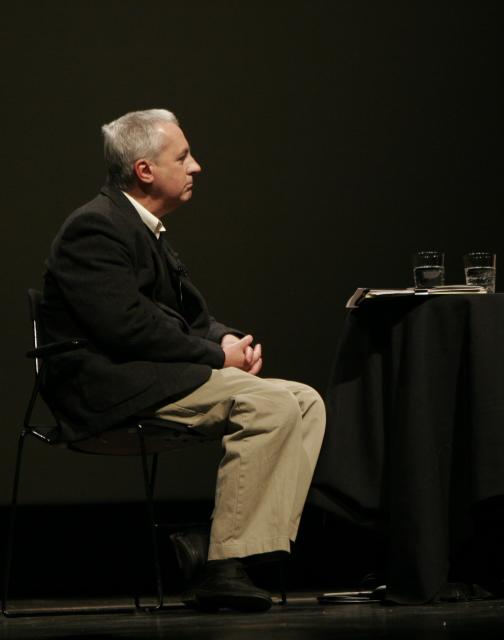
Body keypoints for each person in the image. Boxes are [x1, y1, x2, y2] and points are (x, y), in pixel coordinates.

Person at [39, 108, 326, 612]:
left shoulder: (142, 228)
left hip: (153, 374)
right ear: (145, 170)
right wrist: (219, 356)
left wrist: (230, 339)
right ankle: (223, 566)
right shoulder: (95, 228)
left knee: (305, 401)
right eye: (184, 156)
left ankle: (216, 547)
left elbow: (185, 318)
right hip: (108, 387)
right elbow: (125, 327)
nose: (197, 166)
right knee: (271, 406)